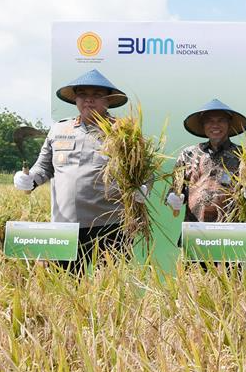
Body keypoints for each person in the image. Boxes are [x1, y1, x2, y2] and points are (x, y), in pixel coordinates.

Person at [13, 69, 146, 273]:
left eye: (97, 95)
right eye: (83, 94)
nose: (89, 100)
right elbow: (44, 167)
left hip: (111, 226)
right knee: (64, 284)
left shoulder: (124, 131)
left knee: (110, 287)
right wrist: (29, 179)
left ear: (108, 100)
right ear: (75, 99)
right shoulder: (59, 129)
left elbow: (144, 172)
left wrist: (143, 188)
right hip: (65, 225)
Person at [166, 99, 246, 224]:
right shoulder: (188, 155)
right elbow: (176, 190)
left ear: (229, 124)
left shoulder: (245, 157)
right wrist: (173, 198)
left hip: (234, 231)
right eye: (209, 121)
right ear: (203, 125)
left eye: (221, 120)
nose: (215, 125)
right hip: (195, 229)